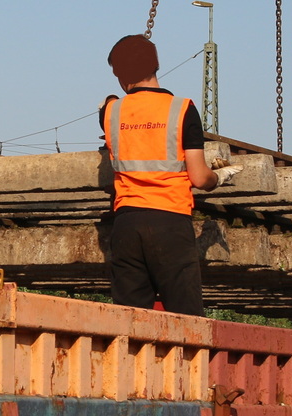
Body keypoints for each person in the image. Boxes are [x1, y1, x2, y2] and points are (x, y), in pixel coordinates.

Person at [100, 34, 240, 316]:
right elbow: (200, 178)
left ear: (122, 74)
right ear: (155, 66)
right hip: (169, 221)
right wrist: (220, 176)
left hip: (127, 224)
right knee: (186, 321)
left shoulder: (112, 111)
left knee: (129, 322)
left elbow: (107, 103)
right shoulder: (182, 109)